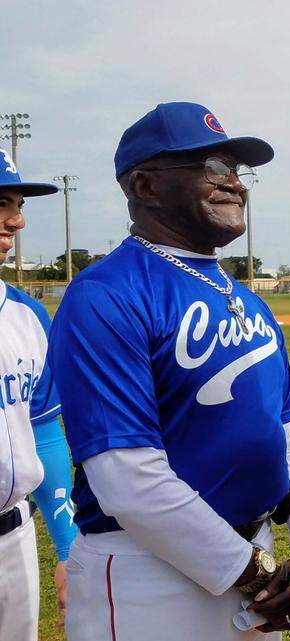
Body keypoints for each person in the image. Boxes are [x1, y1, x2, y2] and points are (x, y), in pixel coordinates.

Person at [48, 102, 290, 641]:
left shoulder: (249, 301)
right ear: (145, 185)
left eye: (237, 170)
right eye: (212, 168)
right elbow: (128, 478)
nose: (234, 185)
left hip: (252, 558)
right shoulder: (106, 295)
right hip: (147, 576)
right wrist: (254, 573)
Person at [0, 149, 78, 640]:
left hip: (14, 540)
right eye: (3, 203)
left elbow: (44, 434)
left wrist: (68, 550)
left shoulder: (27, 316)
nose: (18, 219)